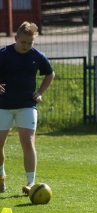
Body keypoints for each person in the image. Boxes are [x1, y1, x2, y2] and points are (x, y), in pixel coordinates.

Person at [0, 21, 55, 195]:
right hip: (3, 105)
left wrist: (40, 92)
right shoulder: (3, 54)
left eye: (30, 43)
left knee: (28, 142)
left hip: (27, 105)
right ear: (16, 38)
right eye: (23, 42)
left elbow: (50, 73)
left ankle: (31, 184)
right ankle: (1, 177)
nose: (26, 46)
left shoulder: (37, 56)